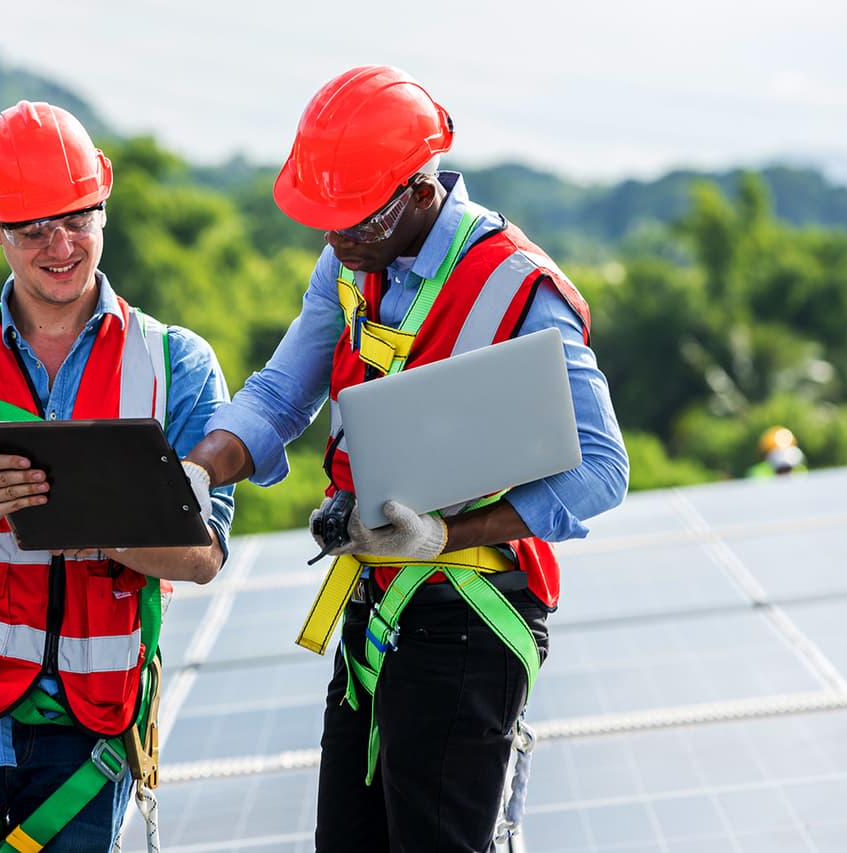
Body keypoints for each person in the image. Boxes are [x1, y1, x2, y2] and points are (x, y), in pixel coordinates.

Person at [183, 65, 628, 851]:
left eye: (351, 221)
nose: (334, 240)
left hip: (470, 616)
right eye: (325, 223)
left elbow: (600, 470)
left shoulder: (520, 289)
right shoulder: (350, 262)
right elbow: (282, 393)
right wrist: (196, 468)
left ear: (421, 193)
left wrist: (444, 537)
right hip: (375, 609)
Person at [0, 100, 233, 852]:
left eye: (77, 218)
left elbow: (203, 555)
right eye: (32, 227)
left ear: (104, 204)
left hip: (89, 736)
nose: (60, 245)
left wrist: (98, 515)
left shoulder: (176, 367)